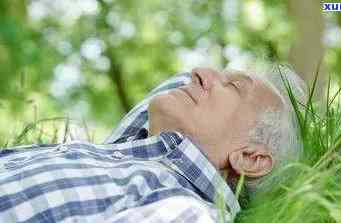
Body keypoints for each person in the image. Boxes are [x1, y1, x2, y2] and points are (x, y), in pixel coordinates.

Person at [0, 64, 307, 223]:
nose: (198, 73)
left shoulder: (182, 209)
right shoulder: (126, 150)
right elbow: (178, 83)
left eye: (234, 86)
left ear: (251, 157)